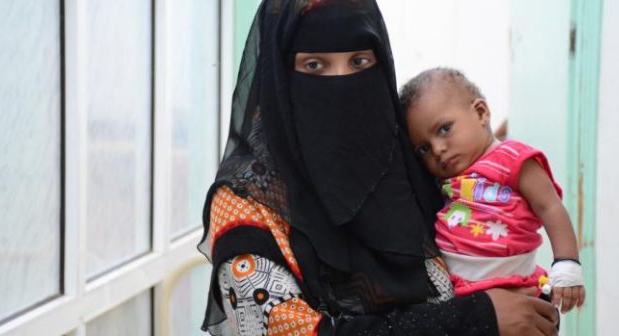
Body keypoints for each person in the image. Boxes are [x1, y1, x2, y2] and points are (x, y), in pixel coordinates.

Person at [198, 1, 559, 335]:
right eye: (314, 65)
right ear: (279, 78)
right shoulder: (246, 204)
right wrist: (476, 319)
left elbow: (490, 258)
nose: (341, 82)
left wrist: (530, 307)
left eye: (359, 62)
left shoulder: (413, 169)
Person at [400, 67, 585, 314]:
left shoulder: (513, 159)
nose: (437, 149)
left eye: (444, 129)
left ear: (480, 112)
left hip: (512, 284)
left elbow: (550, 206)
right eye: (423, 149)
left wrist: (567, 265)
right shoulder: (444, 180)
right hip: (457, 291)